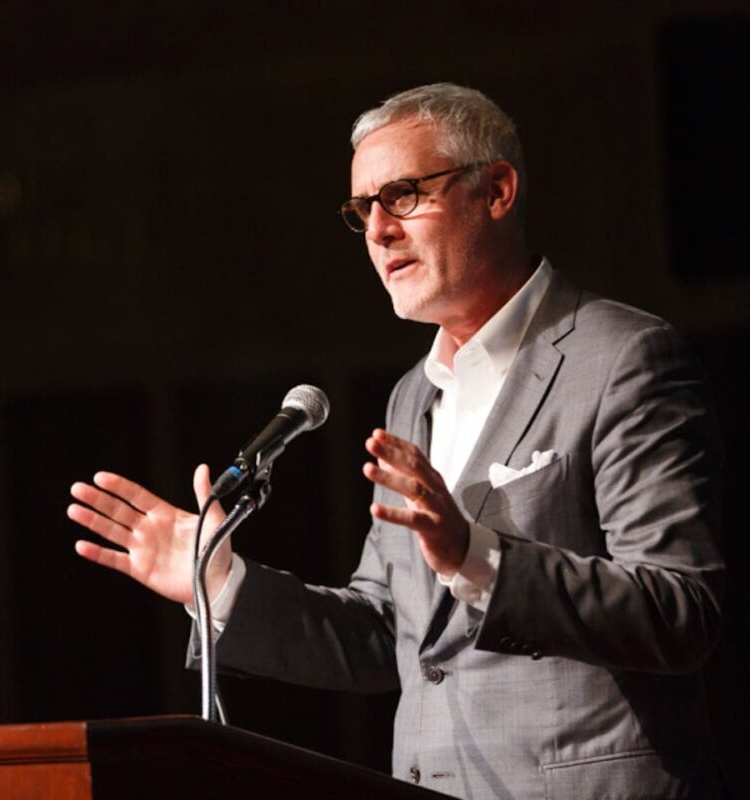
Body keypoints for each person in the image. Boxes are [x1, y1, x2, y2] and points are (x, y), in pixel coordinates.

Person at [68, 83, 726, 799]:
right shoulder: (414, 394)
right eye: (362, 209)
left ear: (497, 190)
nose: (378, 230)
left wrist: (478, 557)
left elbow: (680, 609)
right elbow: (391, 635)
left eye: (404, 195)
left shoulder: (623, 358)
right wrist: (222, 586)